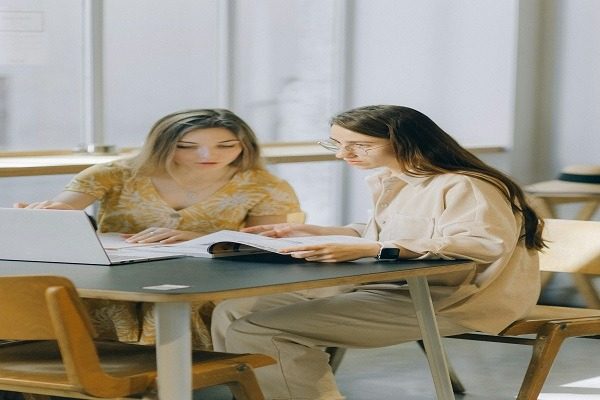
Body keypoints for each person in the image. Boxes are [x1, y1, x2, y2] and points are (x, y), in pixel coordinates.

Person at [213, 105, 545, 400]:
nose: (343, 155)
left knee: (258, 330)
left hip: (455, 299)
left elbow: (480, 245)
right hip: (396, 289)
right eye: (338, 144)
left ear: (406, 141)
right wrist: (320, 232)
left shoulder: (464, 185)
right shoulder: (394, 179)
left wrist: (374, 248)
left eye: (359, 145)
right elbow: (387, 233)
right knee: (233, 310)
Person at [15, 108, 301, 349]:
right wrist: (49, 213)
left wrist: (201, 239)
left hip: (207, 281)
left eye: (226, 146)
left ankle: (174, 377)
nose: (206, 154)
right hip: (116, 276)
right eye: (187, 146)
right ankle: (98, 375)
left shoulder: (264, 185)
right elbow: (63, 209)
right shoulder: (116, 173)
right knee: (68, 297)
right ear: (162, 146)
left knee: (180, 304)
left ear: (244, 146)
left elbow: (267, 243)